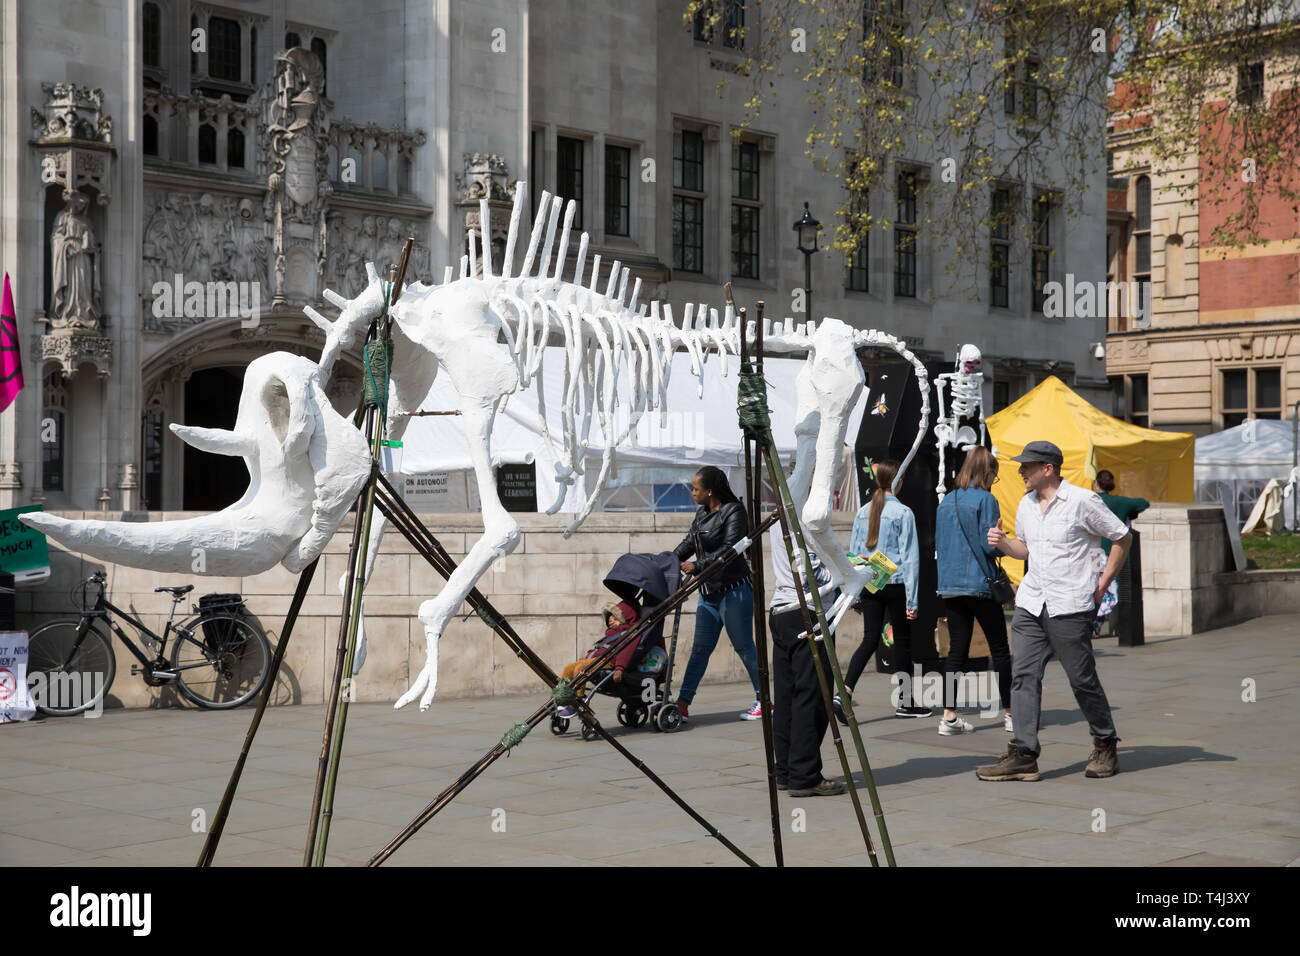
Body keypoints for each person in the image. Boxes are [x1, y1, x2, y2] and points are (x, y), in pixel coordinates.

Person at [977, 440, 1133, 782]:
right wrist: (1004, 544)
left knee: (1081, 679)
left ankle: (1105, 742)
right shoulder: (1026, 504)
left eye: (1027, 466)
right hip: (1032, 601)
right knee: (1023, 675)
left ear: (1048, 468)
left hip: (1070, 603)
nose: (1020, 471)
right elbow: (1026, 549)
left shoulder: (1082, 501)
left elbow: (1122, 537)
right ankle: (1024, 753)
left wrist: (1104, 582)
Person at [838, 459, 927, 722]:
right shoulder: (903, 513)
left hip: (869, 582)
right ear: (898, 481)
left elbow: (853, 555)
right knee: (902, 643)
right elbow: (910, 558)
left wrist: (853, 593)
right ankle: (906, 702)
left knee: (869, 640)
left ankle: (844, 690)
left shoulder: (863, 510)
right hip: (896, 582)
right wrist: (913, 599)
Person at [672, 466, 763, 722]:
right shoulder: (701, 514)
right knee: (700, 649)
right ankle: (682, 703)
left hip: (734, 593)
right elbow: (688, 543)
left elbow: (730, 548)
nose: (692, 493)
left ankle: (764, 700)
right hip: (709, 594)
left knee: (745, 648)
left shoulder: (734, 511)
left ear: (710, 491)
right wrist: (665, 560)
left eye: (696, 489)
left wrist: (697, 565)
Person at [934, 447, 1013, 736]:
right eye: (994, 474)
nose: (995, 479)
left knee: (956, 651)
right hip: (980, 584)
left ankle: (949, 716)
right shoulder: (987, 499)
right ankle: (1010, 713)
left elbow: (941, 546)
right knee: (1000, 650)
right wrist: (1001, 539)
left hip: (950, 585)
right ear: (987, 471)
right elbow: (988, 545)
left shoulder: (946, 501)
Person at [768, 518, 845, 796]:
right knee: (811, 695)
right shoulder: (806, 515)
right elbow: (810, 571)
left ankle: (787, 770)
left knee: (787, 696)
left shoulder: (779, 515)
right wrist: (848, 568)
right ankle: (804, 774)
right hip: (807, 612)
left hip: (782, 610)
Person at [555, 600, 643, 719]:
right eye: (609, 622)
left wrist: (619, 668)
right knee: (569, 668)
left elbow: (625, 653)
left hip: (609, 661)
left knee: (581, 668)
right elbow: (599, 648)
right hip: (599, 658)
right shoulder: (611, 634)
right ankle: (562, 696)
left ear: (624, 619)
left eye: (615, 620)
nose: (611, 623)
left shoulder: (629, 634)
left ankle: (579, 700)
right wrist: (587, 657)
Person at [1093, 470, 1150, 554]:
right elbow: (1144, 503)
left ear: (1096, 483)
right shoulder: (1120, 502)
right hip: (1115, 552)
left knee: (1096, 567)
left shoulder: (1090, 500)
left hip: (1094, 552)